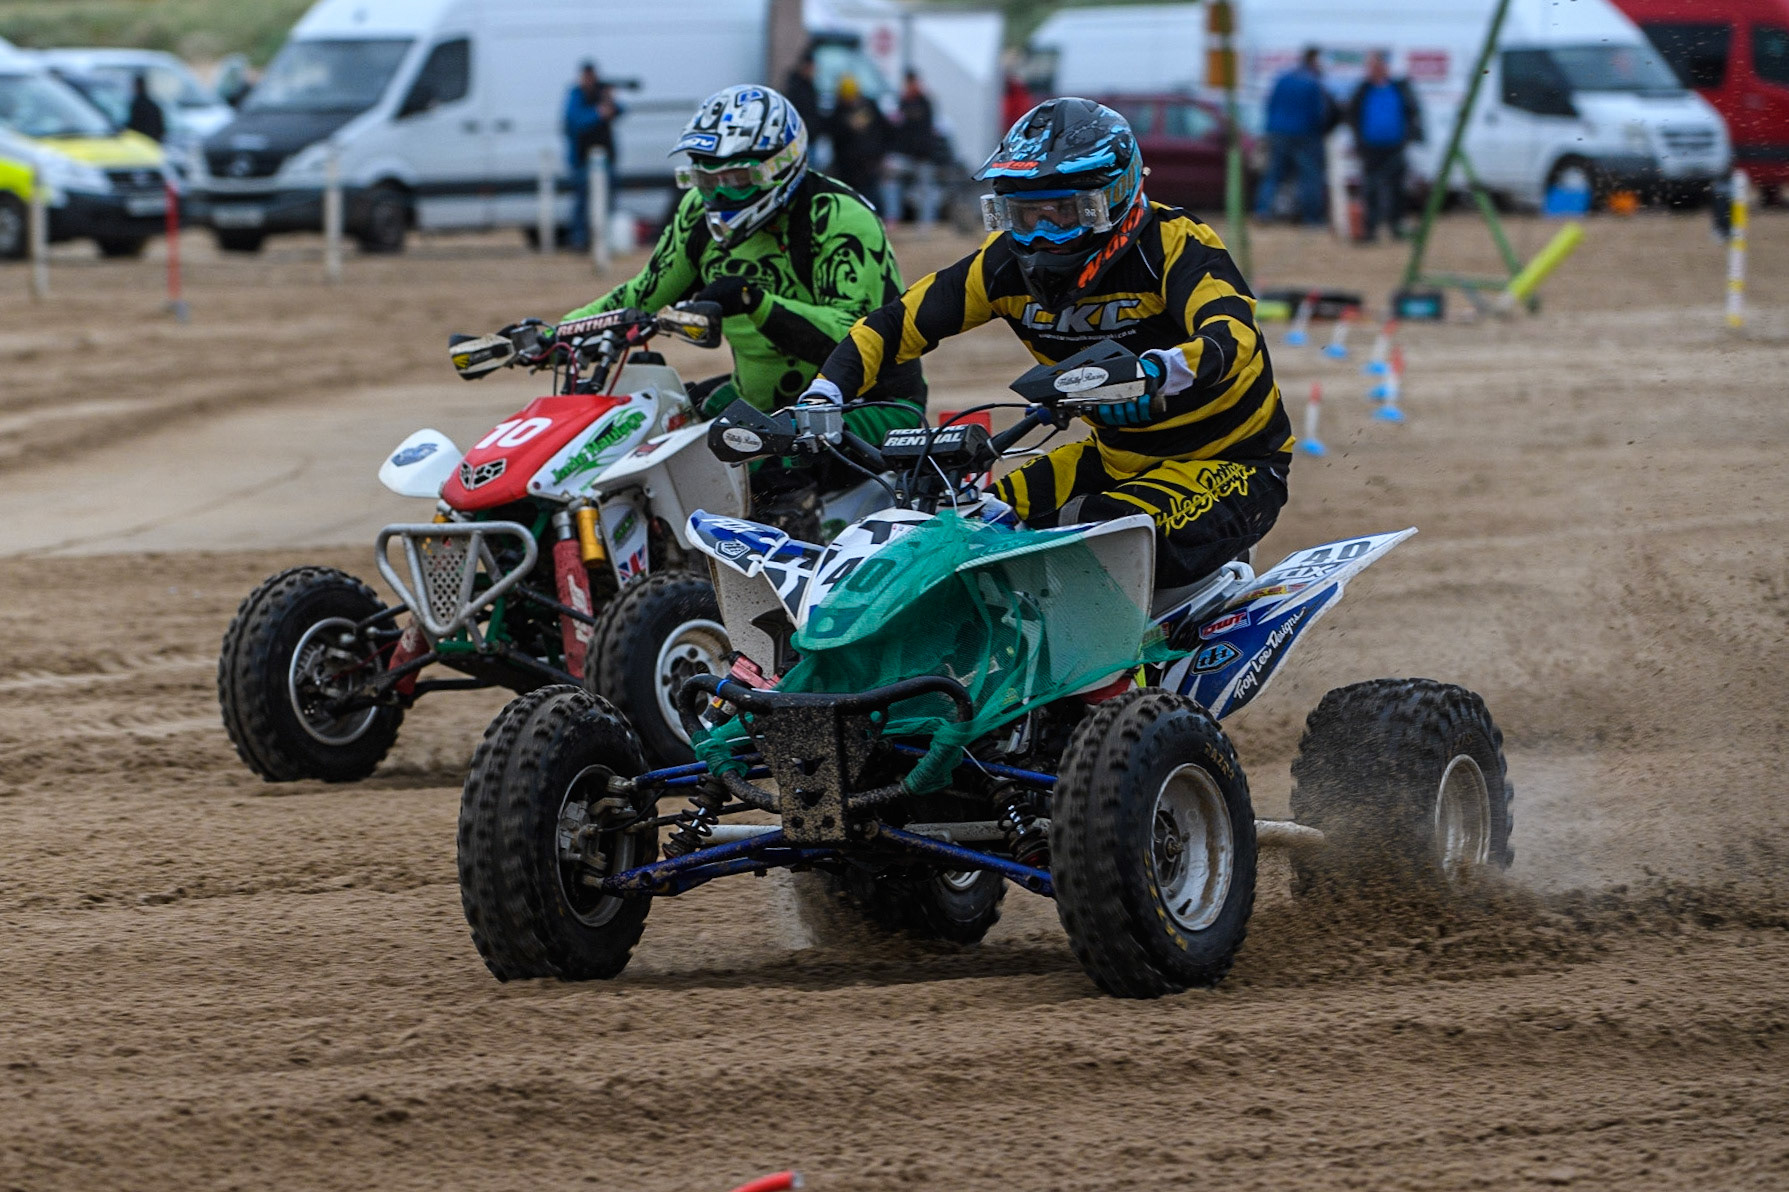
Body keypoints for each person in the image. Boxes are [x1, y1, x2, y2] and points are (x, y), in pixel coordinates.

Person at [804, 98, 1291, 590]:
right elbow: (895, 323)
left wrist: (1157, 372)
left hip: (1231, 460)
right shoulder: (1000, 265)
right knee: (971, 526)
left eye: (1062, 212)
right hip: (1114, 458)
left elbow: (1232, 334)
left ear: (1113, 197)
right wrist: (823, 395)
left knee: (1088, 535)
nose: (1041, 235)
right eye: (1023, 214)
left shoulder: (1173, 243)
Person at [558, 85, 922, 528]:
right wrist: (558, 332)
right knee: (651, 432)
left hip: (870, 404)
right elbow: (642, 294)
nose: (720, 197)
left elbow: (855, 335)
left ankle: (783, 565)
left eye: (736, 181)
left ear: (781, 165)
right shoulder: (697, 214)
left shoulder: (839, 217)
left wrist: (754, 301)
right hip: (760, 400)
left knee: (765, 463)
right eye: (707, 181)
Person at [1347, 51, 1424, 242]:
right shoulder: (1362, 90)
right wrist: (1358, 141)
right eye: (1371, 67)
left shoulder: (1399, 88)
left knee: (1397, 189)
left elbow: (1413, 112)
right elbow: (1351, 115)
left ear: (1385, 68)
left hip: (1395, 147)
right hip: (1370, 148)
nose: (1374, 70)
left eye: (1377, 66)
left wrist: (1411, 136)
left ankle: (1396, 227)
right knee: (1370, 189)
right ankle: (1370, 229)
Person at [1255, 48, 1335, 225]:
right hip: (1306, 135)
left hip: (1278, 133)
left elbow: (1270, 105)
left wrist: (1271, 129)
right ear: (1314, 61)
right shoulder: (1313, 83)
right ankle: (1312, 219)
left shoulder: (1283, 79)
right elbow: (1320, 113)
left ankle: (1262, 211)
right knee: (1310, 176)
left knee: (1273, 174)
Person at [563, 61, 623, 249]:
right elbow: (574, 121)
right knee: (582, 203)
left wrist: (609, 100)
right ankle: (580, 240)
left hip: (606, 159)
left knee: (607, 201)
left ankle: (606, 239)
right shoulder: (576, 95)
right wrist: (598, 113)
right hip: (583, 159)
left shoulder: (600, 93)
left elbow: (621, 110)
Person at [883, 70, 941, 226]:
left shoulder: (925, 103)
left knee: (925, 189)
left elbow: (926, 131)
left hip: (922, 156)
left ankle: (927, 223)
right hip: (905, 155)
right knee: (890, 179)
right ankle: (892, 218)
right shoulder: (902, 102)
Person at [826, 74, 888, 200]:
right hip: (848, 169)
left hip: (869, 165)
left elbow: (883, 130)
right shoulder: (838, 113)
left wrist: (879, 154)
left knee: (872, 199)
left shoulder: (869, 107)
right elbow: (835, 137)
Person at [125, 73, 165, 143]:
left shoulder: (137, 105)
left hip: (141, 141)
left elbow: (134, 127)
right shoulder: (153, 105)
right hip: (154, 142)